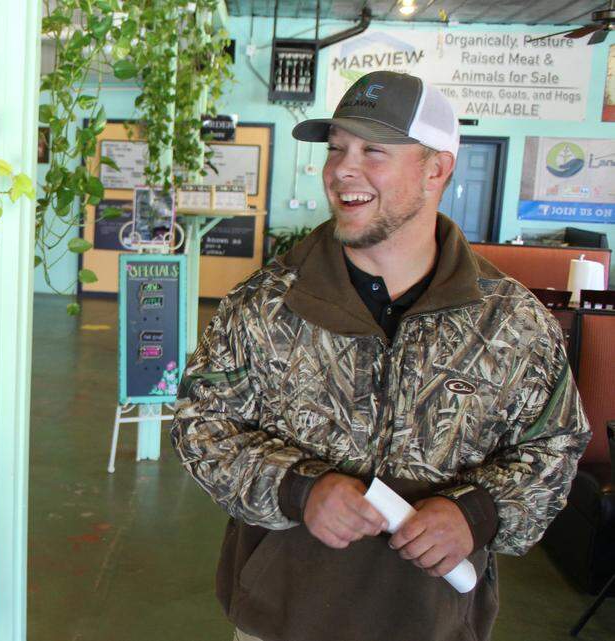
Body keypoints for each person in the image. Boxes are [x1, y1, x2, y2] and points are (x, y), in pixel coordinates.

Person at [170, 71, 589, 641]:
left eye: (373, 150)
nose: (343, 168)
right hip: (283, 617)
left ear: (436, 169)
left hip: (433, 621)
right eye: (337, 147)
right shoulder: (265, 305)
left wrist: (477, 514)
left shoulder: (511, 323)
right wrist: (299, 488)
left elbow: (555, 447)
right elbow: (202, 425)